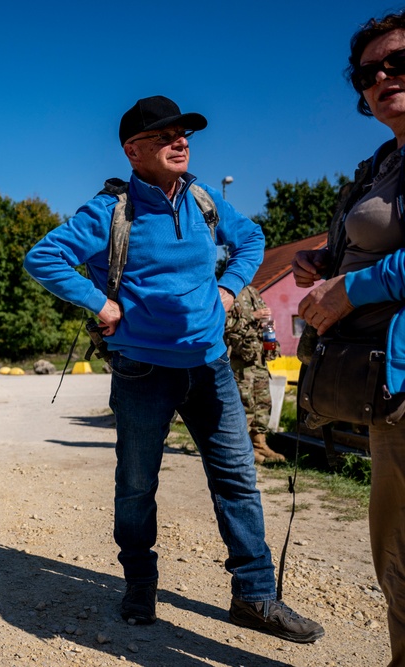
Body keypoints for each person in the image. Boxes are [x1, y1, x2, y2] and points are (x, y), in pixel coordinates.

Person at [24, 96, 324, 642]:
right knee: (137, 484)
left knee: (237, 479)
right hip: (142, 369)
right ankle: (140, 584)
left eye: (183, 133)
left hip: (210, 365)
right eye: (164, 136)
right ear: (133, 151)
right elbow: (42, 257)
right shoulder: (110, 212)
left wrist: (230, 290)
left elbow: (251, 238)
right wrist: (102, 304)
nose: (180, 141)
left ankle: (255, 596)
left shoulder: (204, 199)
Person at [294, 11, 405, 663]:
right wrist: (325, 266)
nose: (383, 77)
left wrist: (348, 291)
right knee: (395, 555)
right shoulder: (380, 163)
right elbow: (355, 253)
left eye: (399, 61)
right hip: (383, 381)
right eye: (368, 72)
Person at [224, 285, 285, 463]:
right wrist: (254, 316)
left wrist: (269, 329)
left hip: (259, 359)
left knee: (263, 403)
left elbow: (264, 322)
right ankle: (242, 450)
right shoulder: (226, 291)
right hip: (241, 362)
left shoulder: (253, 292)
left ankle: (259, 444)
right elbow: (222, 323)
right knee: (245, 406)